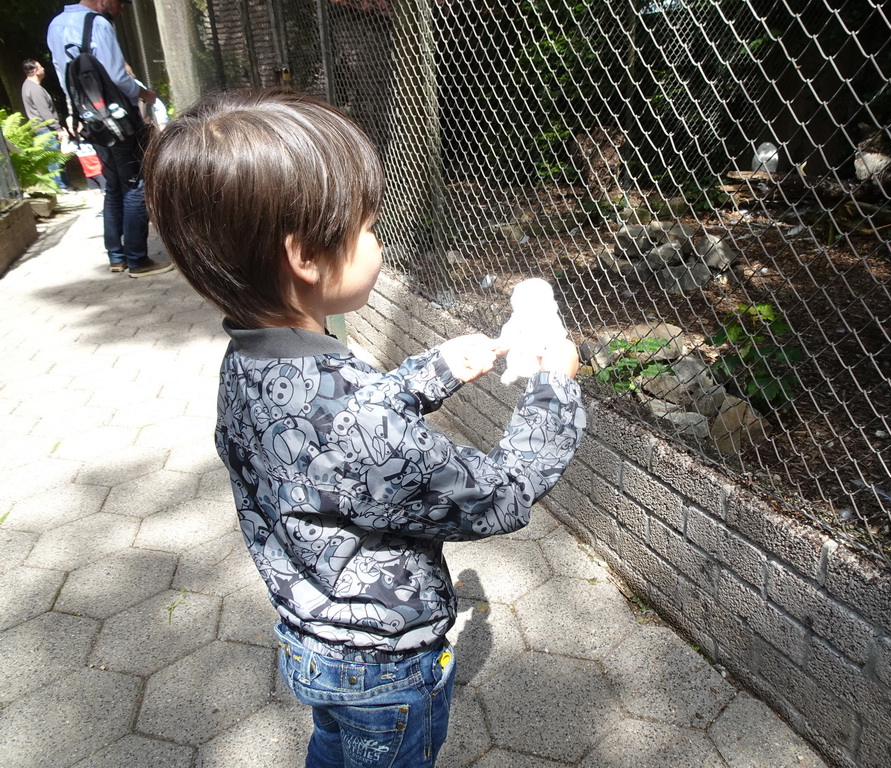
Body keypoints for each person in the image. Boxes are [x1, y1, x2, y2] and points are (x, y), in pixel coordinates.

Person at [144, 87, 586, 768]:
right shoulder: (356, 416)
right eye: (367, 227)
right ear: (305, 257)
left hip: (310, 637)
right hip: (384, 667)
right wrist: (555, 391)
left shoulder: (251, 360)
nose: (377, 241)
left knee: (335, 749)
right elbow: (498, 494)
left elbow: (333, 442)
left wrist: (428, 374)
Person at [46, 0, 173, 277]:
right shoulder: (99, 24)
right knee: (137, 184)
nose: (119, 10)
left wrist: (81, 112)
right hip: (118, 119)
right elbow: (118, 77)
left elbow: (62, 76)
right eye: (117, 3)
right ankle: (138, 260)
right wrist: (144, 94)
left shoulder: (55, 26)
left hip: (90, 119)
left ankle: (117, 256)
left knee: (113, 184)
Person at [20, 59, 71, 192]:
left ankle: (65, 184)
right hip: (46, 129)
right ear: (36, 71)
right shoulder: (35, 89)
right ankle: (61, 186)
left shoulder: (28, 85)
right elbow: (45, 112)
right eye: (41, 67)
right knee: (54, 158)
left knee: (55, 157)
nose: (44, 69)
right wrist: (59, 129)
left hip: (44, 129)